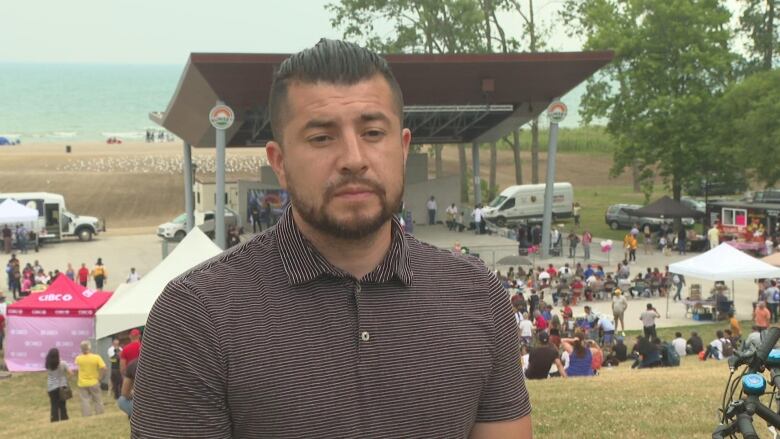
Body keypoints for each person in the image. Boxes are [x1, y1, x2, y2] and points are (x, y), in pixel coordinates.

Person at [132, 39, 532, 438]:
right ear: (280, 162)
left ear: (403, 148)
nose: (354, 158)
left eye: (373, 132)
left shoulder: (478, 293)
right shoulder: (197, 314)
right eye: (322, 138)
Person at [74, 340, 106, 417]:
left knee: (85, 401)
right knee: (98, 400)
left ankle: (86, 416)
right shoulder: (96, 357)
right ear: (89, 347)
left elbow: (76, 370)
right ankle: (100, 414)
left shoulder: (78, 358)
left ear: (81, 349)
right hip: (94, 381)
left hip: (82, 383)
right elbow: (104, 368)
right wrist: (100, 377)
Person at [45, 348, 71, 422]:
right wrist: (66, 379)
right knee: (62, 405)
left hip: (51, 387)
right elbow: (71, 373)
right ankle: (64, 418)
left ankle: (54, 420)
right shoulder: (63, 363)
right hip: (62, 385)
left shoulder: (48, 364)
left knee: (54, 405)